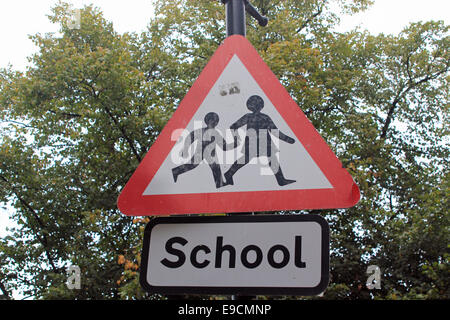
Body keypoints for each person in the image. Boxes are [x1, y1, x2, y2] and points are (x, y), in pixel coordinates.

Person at [224, 95, 296, 186]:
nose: (256, 106)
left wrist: (288, 139)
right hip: (253, 141)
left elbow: (275, 131)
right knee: (247, 159)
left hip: (263, 141)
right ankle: (229, 173)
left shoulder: (263, 117)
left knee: (270, 159)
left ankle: (281, 180)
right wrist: (236, 139)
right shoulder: (252, 117)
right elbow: (233, 127)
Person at [172, 112, 237, 188]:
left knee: (215, 167)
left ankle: (219, 183)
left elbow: (224, 147)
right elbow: (190, 137)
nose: (214, 123)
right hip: (200, 151)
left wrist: (234, 144)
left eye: (216, 121)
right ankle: (176, 171)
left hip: (210, 153)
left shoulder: (216, 134)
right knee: (193, 165)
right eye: (212, 120)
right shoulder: (201, 131)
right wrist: (185, 149)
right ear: (207, 121)